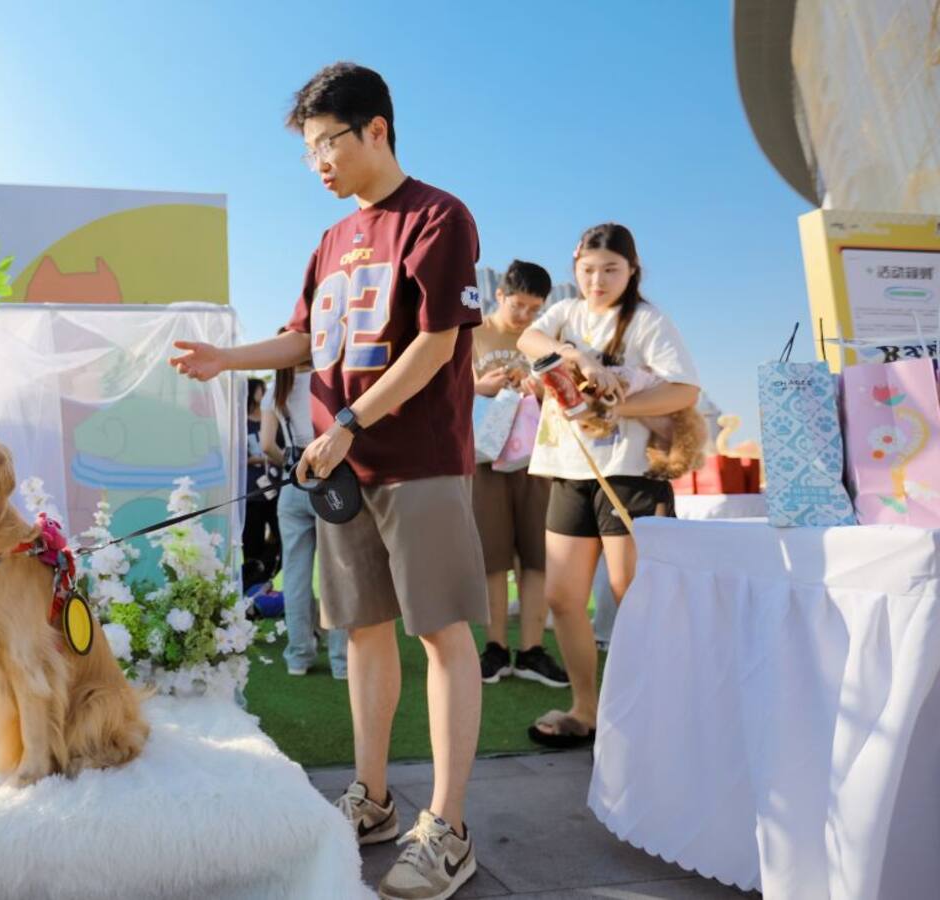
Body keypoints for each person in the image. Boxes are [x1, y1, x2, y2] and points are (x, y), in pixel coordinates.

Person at [171, 61, 486, 900]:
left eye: (326, 144)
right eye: (308, 150)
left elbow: (437, 344)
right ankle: (372, 799)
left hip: (418, 462)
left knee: (441, 634)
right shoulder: (330, 241)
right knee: (363, 632)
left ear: (376, 129)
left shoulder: (438, 216)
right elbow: (309, 339)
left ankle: (448, 828)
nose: (317, 163)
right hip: (343, 469)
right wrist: (226, 360)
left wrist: (347, 422)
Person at [518, 222, 699, 748]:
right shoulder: (565, 313)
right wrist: (577, 356)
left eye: (611, 270)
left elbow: (684, 390)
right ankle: (587, 709)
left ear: (632, 270)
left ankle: (657, 713)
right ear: (575, 270)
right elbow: (528, 339)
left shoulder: (648, 320)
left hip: (631, 473)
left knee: (634, 595)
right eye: (588, 270)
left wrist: (618, 406)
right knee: (562, 597)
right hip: (569, 470)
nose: (597, 281)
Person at [471, 260, 568, 688]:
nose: (525, 315)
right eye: (518, 305)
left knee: (537, 554)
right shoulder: (472, 333)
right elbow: (446, 388)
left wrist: (543, 388)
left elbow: (566, 388)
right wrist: (481, 387)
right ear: (499, 295)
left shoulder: (543, 337)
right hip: (484, 456)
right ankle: (495, 647)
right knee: (492, 556)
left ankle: (531, 650)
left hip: (538, 457)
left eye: (534, 308)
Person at [260, 347, 348, 679]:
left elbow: (267, 445)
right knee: (336, 573)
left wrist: (291, 464)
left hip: (292, 485)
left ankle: (298, 656)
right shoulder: (327, 380)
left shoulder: (276, 387)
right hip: (331, 483)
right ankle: (341, 661)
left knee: (295, 575)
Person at [242, 378, 279, 589]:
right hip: (251, 492)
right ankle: (253, 588)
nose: (264, 393)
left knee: (282, 538)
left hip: (274, 488)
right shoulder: (240, 423)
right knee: (252, 542)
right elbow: (236, 456)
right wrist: (258, 459)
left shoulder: (270, 419)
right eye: (260, 390)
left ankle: (266, 574)